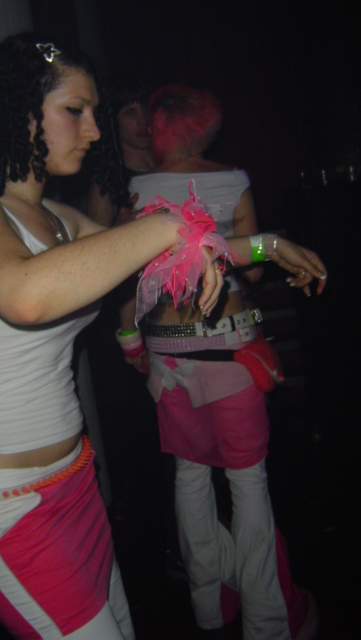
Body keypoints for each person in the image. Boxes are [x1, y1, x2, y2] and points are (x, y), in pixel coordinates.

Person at [0, 34, 324, 639]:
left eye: (95, 113)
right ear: (20, 109)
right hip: (1, 505)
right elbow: (25, 295)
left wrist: (267, 244)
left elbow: (171, 257)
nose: (94, 131)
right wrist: (164, 227)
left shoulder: (63, 220)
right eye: (75, 110)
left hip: (74, 482)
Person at [124, 85, 324, 639]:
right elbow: (253, 269)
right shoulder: (233, 179)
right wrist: (264, 247)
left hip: (168, 352)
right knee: (247, 479)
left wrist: (129, 340)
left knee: (190, 474)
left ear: (160, 128)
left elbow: (131, 275)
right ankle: (267, 622)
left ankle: (210, 605)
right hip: (227, 344)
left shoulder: (138, 189)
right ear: (205, 128)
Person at [88, 74, 155, 227]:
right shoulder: (108, 182)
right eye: (130, 112)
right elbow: (97, 239)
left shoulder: (175, 164)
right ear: (113, 122)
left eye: (146, 108)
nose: (143, 120)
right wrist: (118, 229)